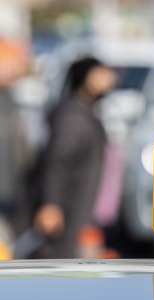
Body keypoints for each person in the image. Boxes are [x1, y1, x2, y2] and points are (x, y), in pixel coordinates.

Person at [24, 57, 117, 258]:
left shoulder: (84, 112)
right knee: (59, 264)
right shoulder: (72, 118)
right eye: (100, 73)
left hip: (80, 210)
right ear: (85, 78)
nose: (110, 79)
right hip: (67, 210)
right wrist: (51, 204)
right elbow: (58, 162)